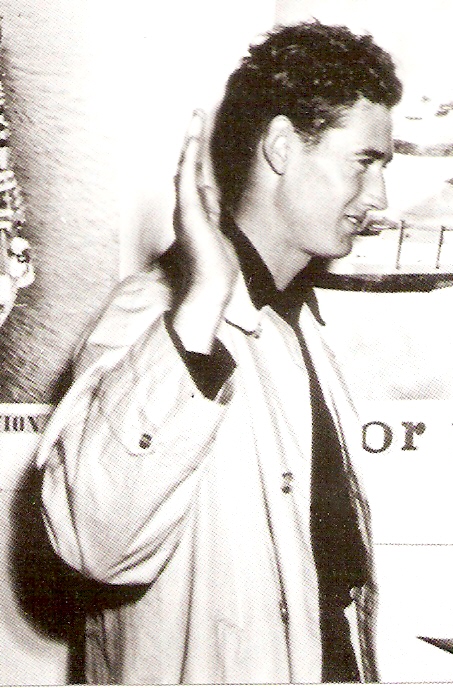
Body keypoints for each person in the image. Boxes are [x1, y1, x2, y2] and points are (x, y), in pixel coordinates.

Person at [35, 22, 401, 683]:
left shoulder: (298, 332)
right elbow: (94, 543)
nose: (379, 200)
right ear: (284, 147)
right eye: (364, 163)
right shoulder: (155, 316)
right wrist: (202, 300)